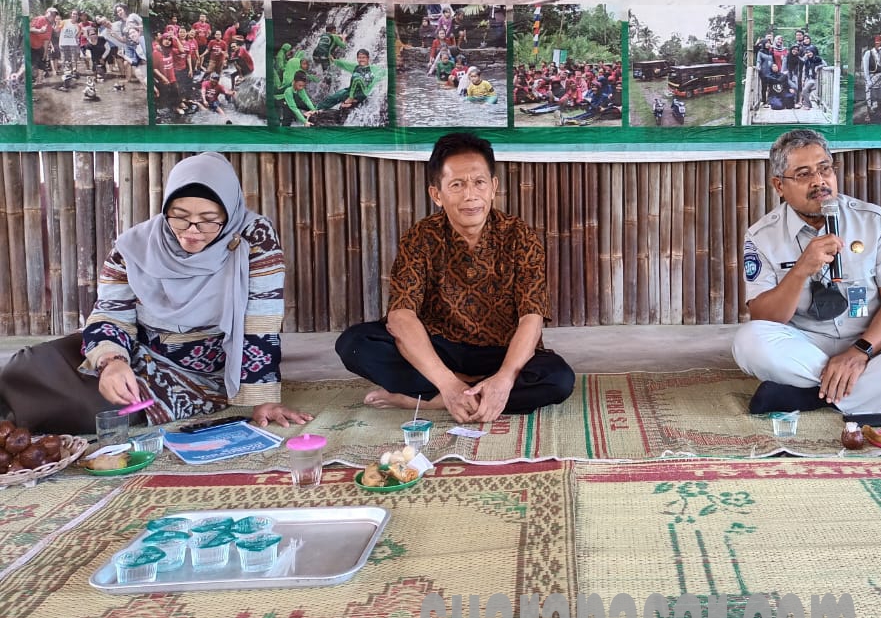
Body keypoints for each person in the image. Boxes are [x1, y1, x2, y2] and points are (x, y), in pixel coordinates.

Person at [0, 153, 312, 433]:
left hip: (197, 372)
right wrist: (112, 362)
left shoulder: (252, 240)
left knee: (93, 410)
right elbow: (111, 312)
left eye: (208, 221)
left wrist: (262, 398)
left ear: (229, 214)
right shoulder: (136, 246)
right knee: (29, 363)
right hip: (135, 347)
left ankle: (20, 419)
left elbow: (260, 322)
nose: (191, 231)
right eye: (179, 216)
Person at [335, 132, 575, 423]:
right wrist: (447, 383)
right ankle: (456, 392)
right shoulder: (420, 237)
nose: (470, 195)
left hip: (500, 352)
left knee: (558, 378)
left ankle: (428, 402)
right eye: (457, 185)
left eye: (479, 183)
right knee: (355, 344)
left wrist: (504, 378)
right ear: (437, 194)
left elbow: (531, 318)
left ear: (493, 187)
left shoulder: (519, 236)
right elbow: (401, 316)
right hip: (440, 349)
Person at [732, 129, 881, 415]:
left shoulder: (873, 220)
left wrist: (859, 352)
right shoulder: (761, 236)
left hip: (872, 343)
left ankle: (808, 397)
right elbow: (765, 317)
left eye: (825, 169)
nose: (819, 182)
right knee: (749, 341)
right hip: (806, 344)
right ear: (779, 185)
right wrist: (801, 270)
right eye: (804, 174)